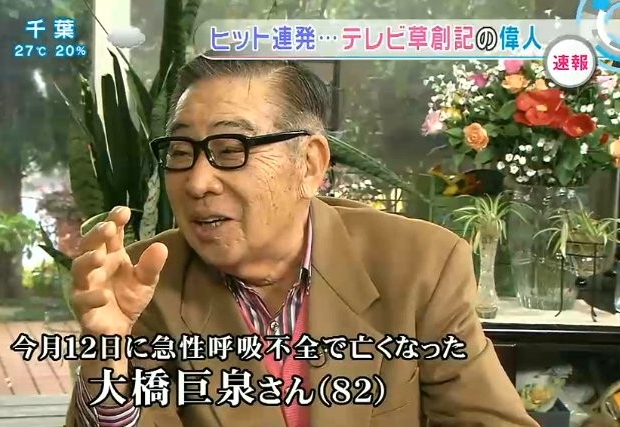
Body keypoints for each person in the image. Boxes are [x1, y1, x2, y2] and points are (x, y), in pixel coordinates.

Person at [64, 55, 538, 427]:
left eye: (230, 149)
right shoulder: (143, 283)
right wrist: (106, 352)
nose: (197, 182)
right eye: (181, 151)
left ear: (310, 164)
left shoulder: (421, 265)